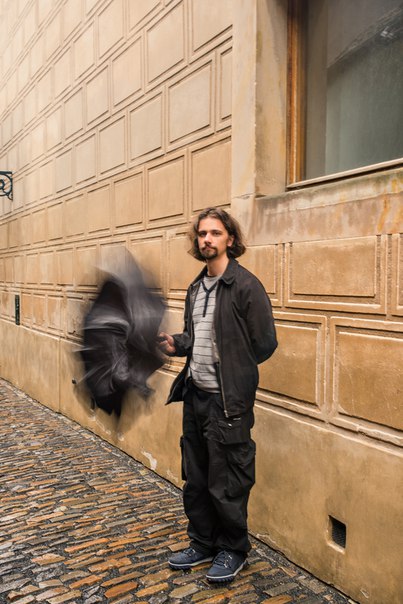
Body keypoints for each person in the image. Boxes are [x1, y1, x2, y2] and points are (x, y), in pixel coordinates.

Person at [158, 207, 277, 583]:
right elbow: (198, 337)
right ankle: (203, 543)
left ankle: (232, 549)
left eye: (215, 233)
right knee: (196, 477)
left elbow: (265, 343)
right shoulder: (196, 287)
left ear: (230, 239)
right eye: (202, 234)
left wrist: (235, 371)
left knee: (228, 480)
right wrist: (177, 344)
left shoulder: (245, 286)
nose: (207, 239)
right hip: (196, 397)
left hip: (229, 402)